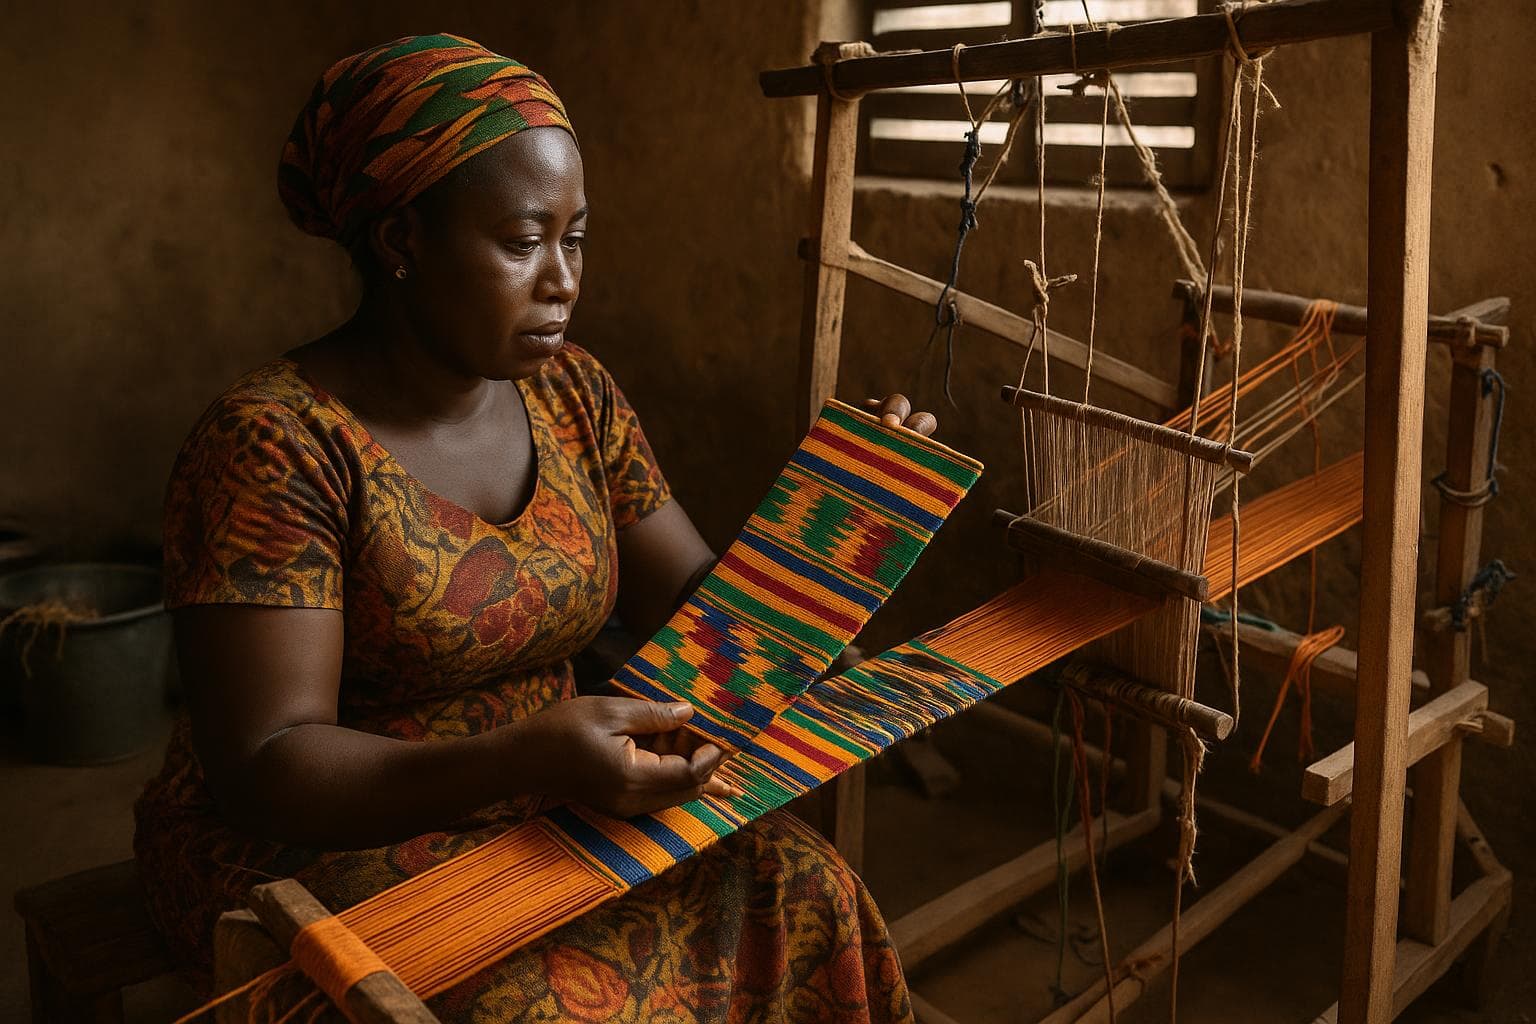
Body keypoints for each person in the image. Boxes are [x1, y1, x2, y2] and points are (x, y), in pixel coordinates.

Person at [134, 33, 940, 1023]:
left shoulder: (573, 396)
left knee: (804, 889)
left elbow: (700, 608)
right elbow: (269, 766)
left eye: (576, 238)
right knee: (543, 1008)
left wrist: (837, 523)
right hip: (312, 844)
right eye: (523, 243)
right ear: (401, 243)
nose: (562, 278)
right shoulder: (274, 444)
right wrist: (531, 756)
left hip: (544, 793)